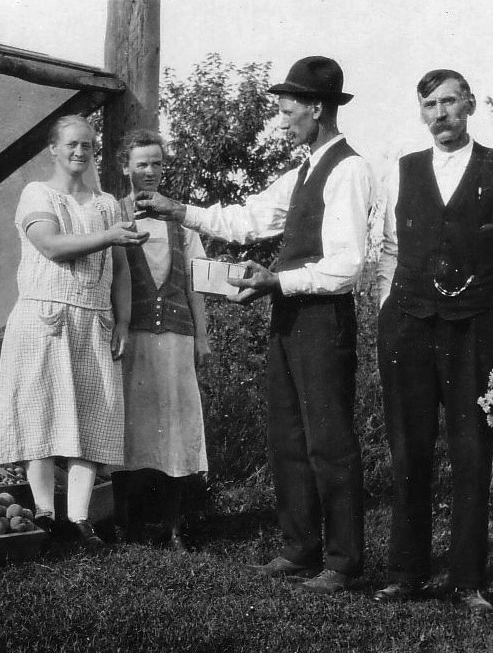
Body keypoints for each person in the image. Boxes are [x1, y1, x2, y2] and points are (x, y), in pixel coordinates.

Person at [135, 57, 374, 593]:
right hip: (290, 315)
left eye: (288, 111)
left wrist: (276, 280)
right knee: (288, 434)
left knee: (329, 440)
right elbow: (246, 221)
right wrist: (177, 209)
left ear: (318, 108)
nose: (282, 121)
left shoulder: (350, 171)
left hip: (324, 319)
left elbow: (347, 266)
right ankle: (300, 548)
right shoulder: (302, 172)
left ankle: (343, 563)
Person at [373, 69, 493, 613]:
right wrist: (387, 314)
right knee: (408, 447)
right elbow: (389, 250)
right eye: (429, 105)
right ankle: (407, 573)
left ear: (469, 104)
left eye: (448, 102)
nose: (439, 114)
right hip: (409, 324)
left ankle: (468, 580)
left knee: (472, 450)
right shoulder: (402, 168)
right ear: (421, 112)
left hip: (476, 326)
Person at [0, 114, 148, 550]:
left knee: (93, 415)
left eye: (88, 145)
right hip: (46, 318)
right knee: (39, 412)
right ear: (53, 149)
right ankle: (44, 512)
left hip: (95, 320)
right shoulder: (37, 194)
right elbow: (51, 246)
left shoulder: (107, 205)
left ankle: (79, 519)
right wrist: (110, 236)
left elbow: (121, 271)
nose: (80, 152)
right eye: (72, 144)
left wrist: (123, 321)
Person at [111, 129, 211, 552]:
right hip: (131, 337)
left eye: (156, 163)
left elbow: (196, 283)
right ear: (126, 168)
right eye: (141, 164)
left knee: (174, 425)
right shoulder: (112, 213)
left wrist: (202, 336)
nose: (149, 171)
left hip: (174, 338)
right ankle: (124, 523)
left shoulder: (180, 220)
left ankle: (173, 527)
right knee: (128, 426)